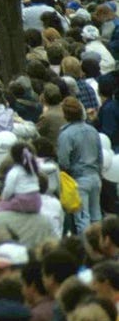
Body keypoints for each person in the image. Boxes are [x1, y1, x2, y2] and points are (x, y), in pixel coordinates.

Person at [57, 96, 103, 233]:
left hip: (78, 181)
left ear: (65, 114)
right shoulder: (92, 130)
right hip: (95, 177)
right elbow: (100, 156)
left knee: (83, 220)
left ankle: (87, 250)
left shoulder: (66, 135)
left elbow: (63, 162)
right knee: (96, 217)